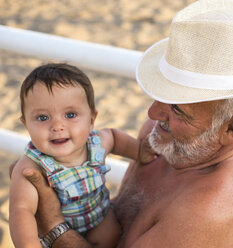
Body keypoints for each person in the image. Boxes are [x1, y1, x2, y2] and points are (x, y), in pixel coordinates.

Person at [14, 0, 233, 247]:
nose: (152, 113)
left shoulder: (210, 210)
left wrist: (52, 224)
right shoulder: (163, 137)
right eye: (161, 96)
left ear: (232, 129)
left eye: (178, 108)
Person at [9, 63, 155, 248]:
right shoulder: (32, 166)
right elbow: (22, 210)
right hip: (58, 235)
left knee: (113, 233)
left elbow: (115, 137)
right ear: (26, 124)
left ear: (92, 120)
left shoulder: (96, 143)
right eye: (43, 118)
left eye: (70, 115)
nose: (57, 126)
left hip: (100, 217)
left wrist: (139, 151)